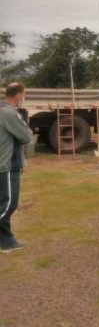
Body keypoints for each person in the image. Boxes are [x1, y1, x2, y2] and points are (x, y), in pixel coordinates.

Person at [0, 82, 33, 253]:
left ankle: (6, 241)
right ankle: (6, 241)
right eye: (24, 94)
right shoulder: (10, 113)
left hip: (4, 164)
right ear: (18, 95)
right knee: (8, 205)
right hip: (7, 165)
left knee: (3, 203)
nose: (23, 98)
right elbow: (26, 136)